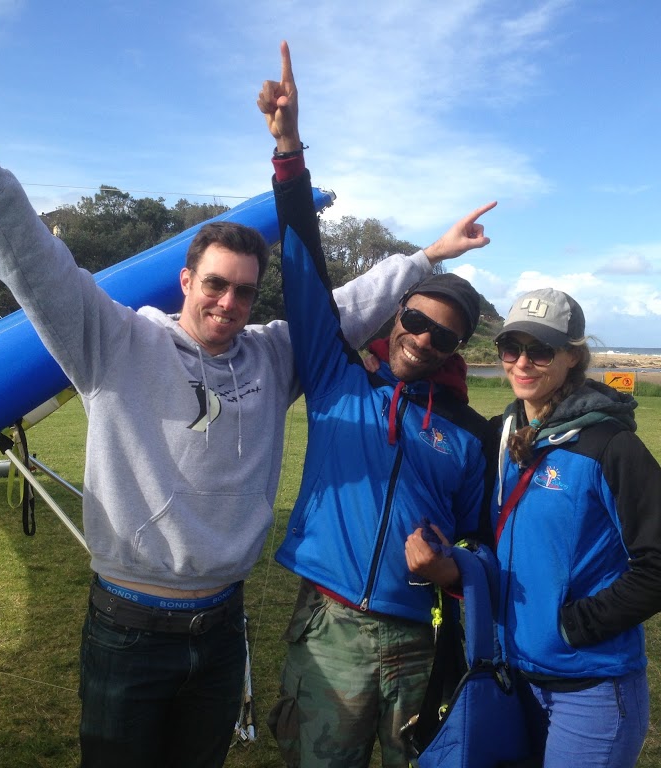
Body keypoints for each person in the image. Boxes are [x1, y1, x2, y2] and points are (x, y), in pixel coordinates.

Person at [0, 36, 471, 768]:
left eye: (245, 289)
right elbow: (37, 268)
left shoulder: (274, 356)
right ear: (186, 282)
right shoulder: (112, 343)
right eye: (215, 284)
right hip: (129, 624)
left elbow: (341, 306)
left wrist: (423, 261)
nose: (230, 302)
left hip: (220, 620)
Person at [258, 42, 497, 767]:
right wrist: (290, 151)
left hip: (416, 642)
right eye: (415, 322)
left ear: (458, 354)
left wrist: (452, 568)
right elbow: (304, 265)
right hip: (327, 628)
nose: (424, 342)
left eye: (445, 339)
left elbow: (485, 543)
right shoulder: (337, 377)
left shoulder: (470, 436)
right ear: (394, 317)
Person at [419, 287, 661, 768]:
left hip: (590, 690)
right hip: (511, 678)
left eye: (540, 349)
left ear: (572, 356)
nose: (522, 362)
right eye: (511, 348)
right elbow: (499, 544)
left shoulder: (612, 448)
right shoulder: (504, 439)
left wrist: (571, 626)